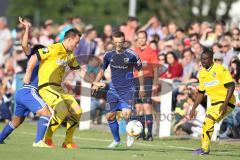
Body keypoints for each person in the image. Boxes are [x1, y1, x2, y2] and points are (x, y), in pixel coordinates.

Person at [24, 28, 92, 148]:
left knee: (77, 111)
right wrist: (28, 74)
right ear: (69, 39)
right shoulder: (53, 48)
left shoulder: (69, 55)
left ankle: (68, 142)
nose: (76, 46)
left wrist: (94, 82)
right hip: (46, 86)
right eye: (76, 43)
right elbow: (34, 57)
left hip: (58, 88)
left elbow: (79, 71)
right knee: (61, 109)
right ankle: (46, 139)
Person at [0, 17, 52, 147]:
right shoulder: (40, 60)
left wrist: (28, 28)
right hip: (29, 91)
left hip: (21, 93)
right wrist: (27, 29)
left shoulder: (36, 60)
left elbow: (24, 45)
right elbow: (24, 45)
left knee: (17, 121)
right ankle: (38, 142)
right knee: (46, 113)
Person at [92, 31, 144, 148]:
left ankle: (130, 133)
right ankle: (116, 141)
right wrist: (96, 82)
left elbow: (140, 70)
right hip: (113, 89)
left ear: (124, 42)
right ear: (113, 42)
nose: (118, 45)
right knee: (109, 116)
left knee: (126, 114)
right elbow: (102, 70)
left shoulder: (132, 55)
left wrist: (142, 87)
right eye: (116, 42)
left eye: (120, 42)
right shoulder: (108, 55)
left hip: (127, 89)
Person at [190, 48, 236, 155]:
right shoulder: (202, 74)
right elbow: (201, 93)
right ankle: (204, 148)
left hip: (227, 102)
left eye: (206, 59)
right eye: (202, 59)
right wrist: (193, 108)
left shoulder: (220, 69)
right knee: (206, 123)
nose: (203, 61)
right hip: (214, 104)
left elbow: (231, 86)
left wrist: (225, 104)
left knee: (209, 120)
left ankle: (205, 149)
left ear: (212, 59)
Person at [133, 31, 158, 141]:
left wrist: (156, 82)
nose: (142, 40)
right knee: (138, 107)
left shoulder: (151, 51)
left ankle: (150, 134)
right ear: (137, 39)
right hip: (135, 79)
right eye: (140, 38)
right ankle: (141, 133)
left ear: (146, 39)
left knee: (147, 106)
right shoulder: (134, 51)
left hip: (147, 79)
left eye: (143, 38)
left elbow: (156, 68)